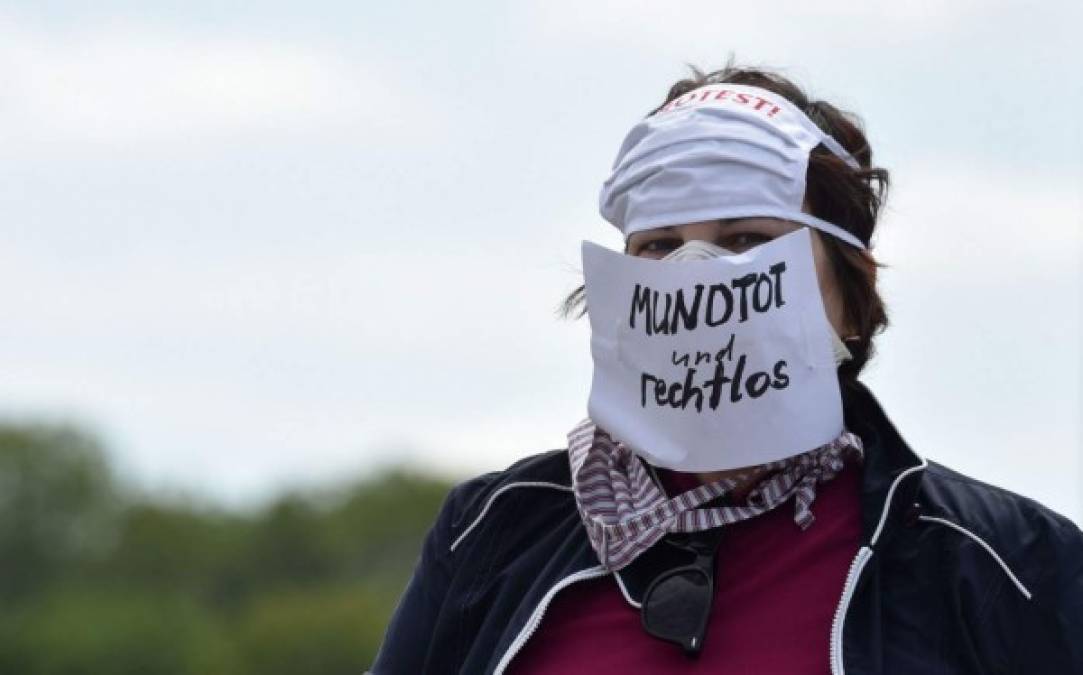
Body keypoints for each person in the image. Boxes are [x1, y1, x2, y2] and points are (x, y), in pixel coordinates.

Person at [369, 62, 1083, 674]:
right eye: (659, 245)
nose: (697, 275)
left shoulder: (1005, 562)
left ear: (852, 296)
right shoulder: (493, 530)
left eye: (746, 239)